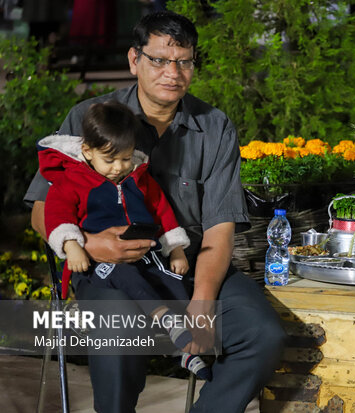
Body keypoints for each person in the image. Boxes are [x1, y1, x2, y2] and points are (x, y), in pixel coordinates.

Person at [24, 10, 286, 413]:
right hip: (108, 270)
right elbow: (43, 210)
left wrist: (201, 301)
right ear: (135, 60)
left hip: (189, 266)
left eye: (184, 61)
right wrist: (92, 244)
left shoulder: (215, 128)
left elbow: (219, 229)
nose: (173, 72)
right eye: (160, 60)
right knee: (115, 329)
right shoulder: (88, 119)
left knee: (262, 334)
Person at [38, 101, 211, 380]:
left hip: (143, 254)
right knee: (127, 277)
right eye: (110, 160)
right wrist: (73, 246)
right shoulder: (70, 181)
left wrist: (176, 248)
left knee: (174, 281)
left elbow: (162, 209)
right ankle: (164, 316)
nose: (119, 167)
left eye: (126, 158)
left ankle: (186, 349)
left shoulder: (138, 177)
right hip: (97, 264)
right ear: (87, 151)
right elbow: (57, 216)